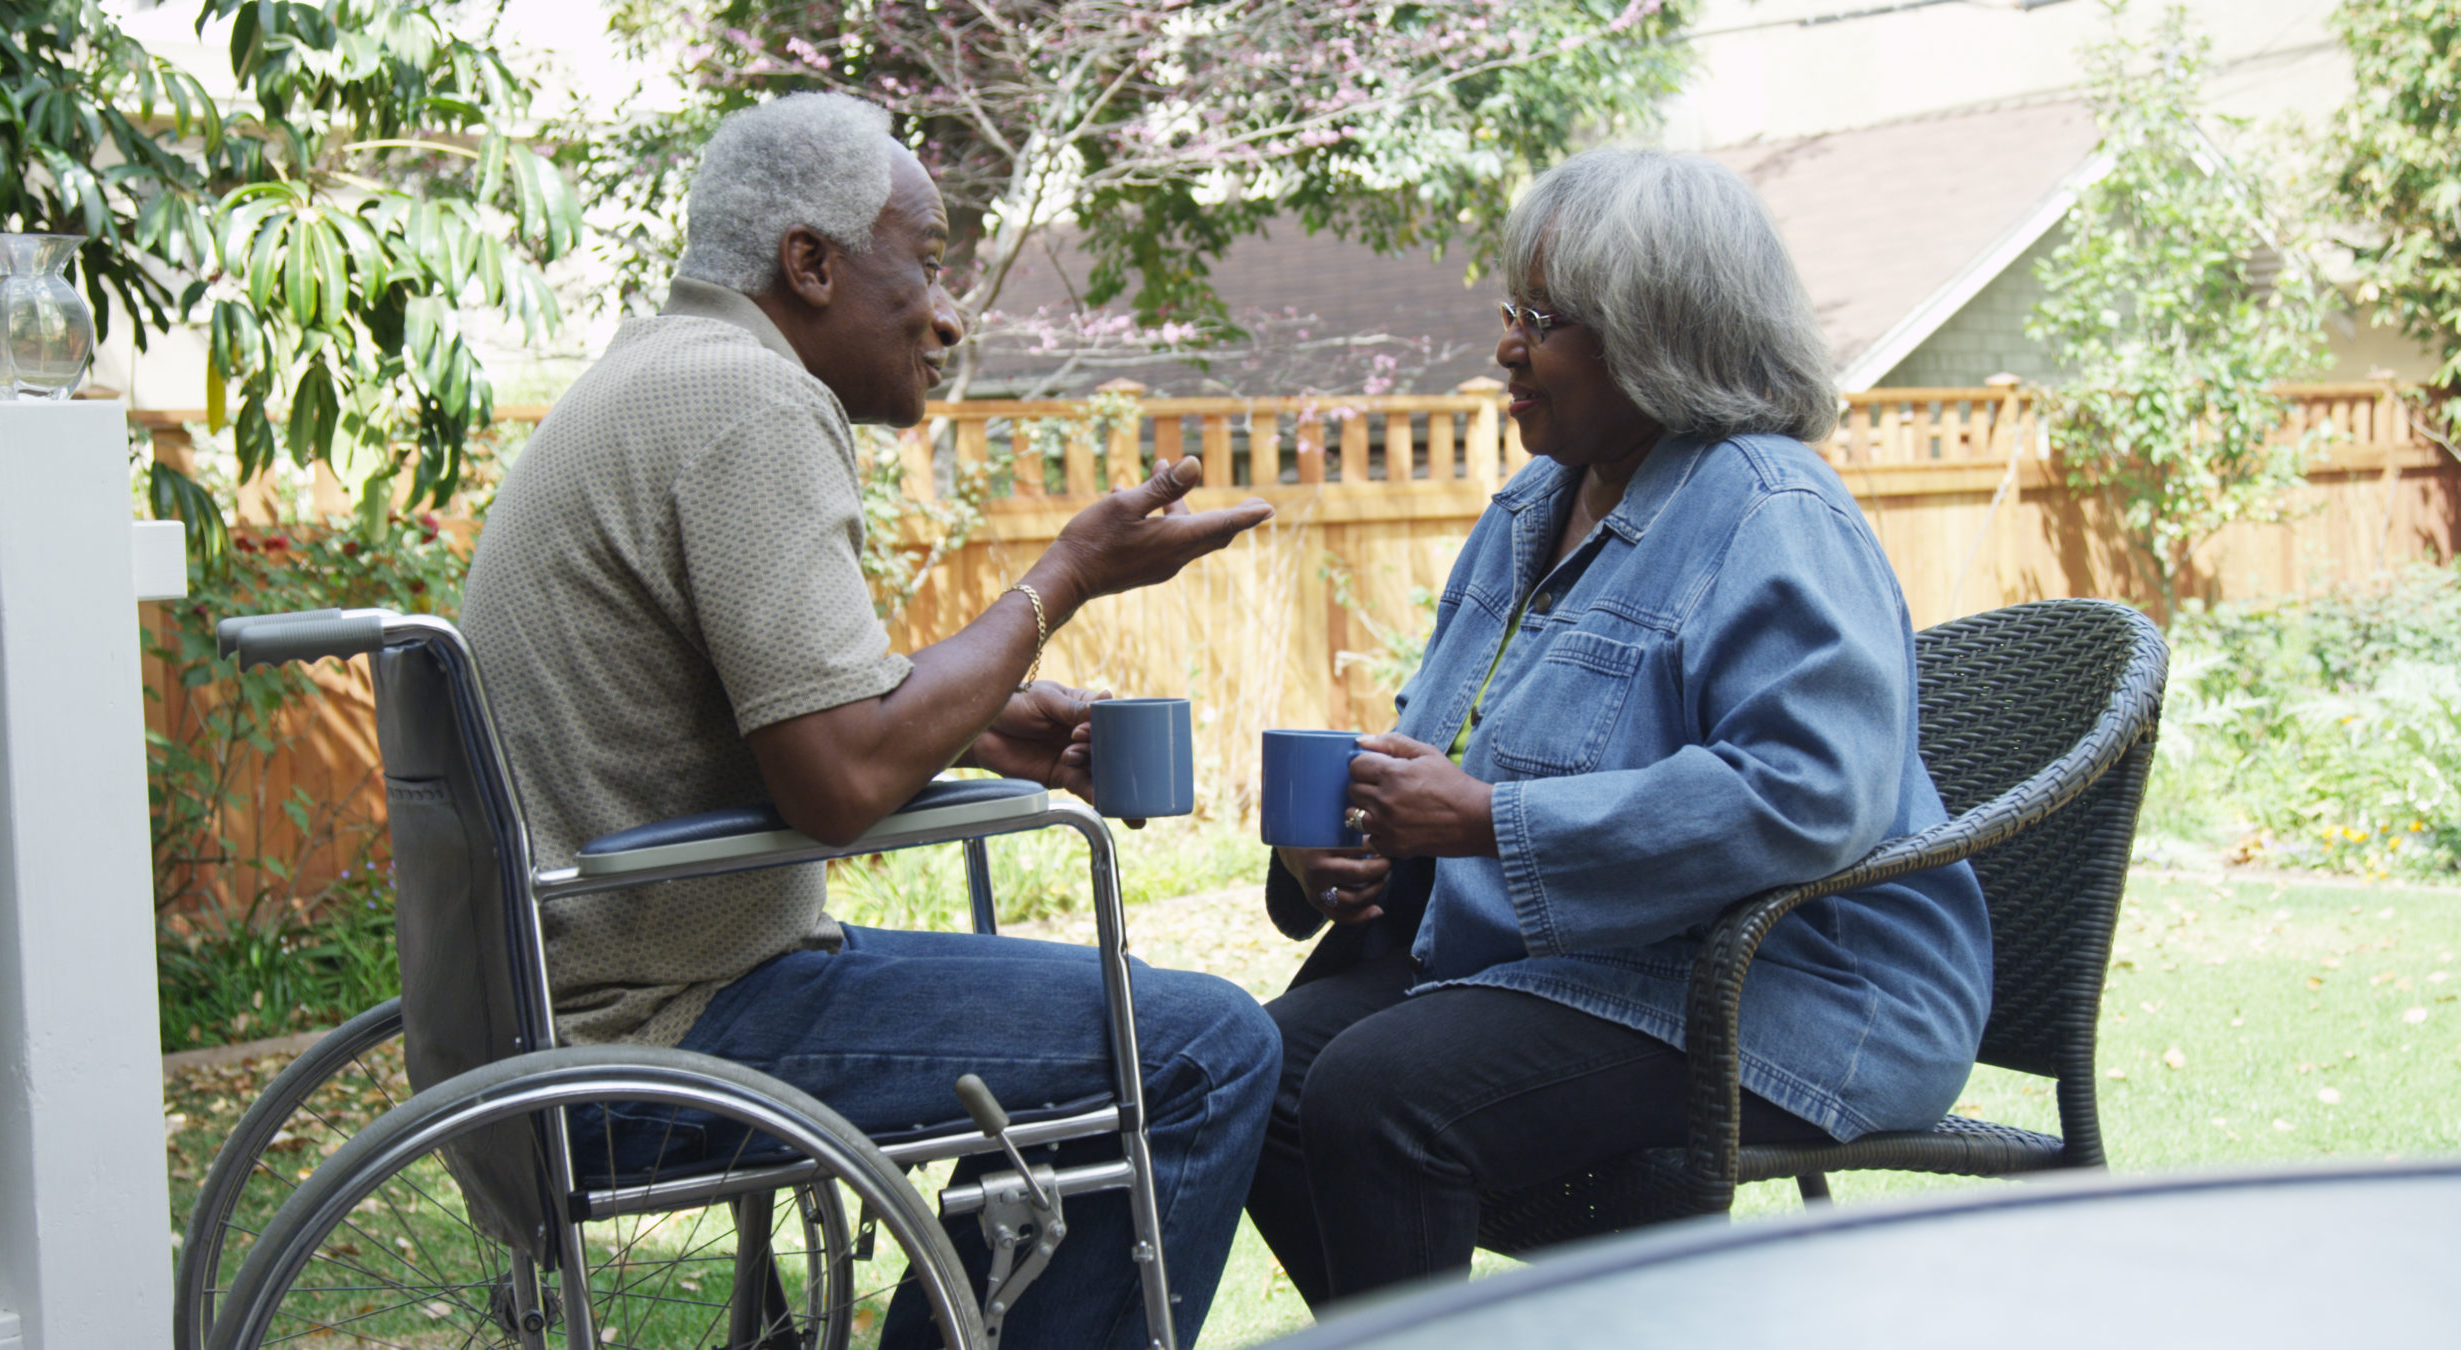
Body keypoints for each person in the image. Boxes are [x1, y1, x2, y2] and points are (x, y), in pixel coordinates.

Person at [460, 92, 1281, 1348]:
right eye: (931, 259)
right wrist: (1060, 578)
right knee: (1204, 1050)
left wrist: (967, 722)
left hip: (560, 1010)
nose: (949, 312)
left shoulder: (656, 373)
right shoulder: (752, 403)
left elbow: (793, 717)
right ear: (811, 262)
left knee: (1114, 1052)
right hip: (661, 1030)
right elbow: (837, 782)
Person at [1243, 146, 1994, 1306]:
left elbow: (1808, 795)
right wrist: (1340, 849)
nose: (1503, 346)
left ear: (1657, 333)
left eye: (1539, 319)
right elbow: (1448, 745)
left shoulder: (1769, 507)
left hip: (1800, 986)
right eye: (1509, 310)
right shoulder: (1529, 509)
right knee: (1250, 1067)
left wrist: (1487, 822)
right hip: (1585, 960)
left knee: (1380, 1093)